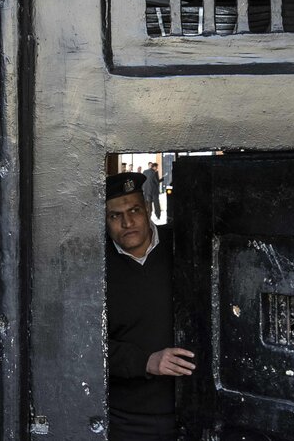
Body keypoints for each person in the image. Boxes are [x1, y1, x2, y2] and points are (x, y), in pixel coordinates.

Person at [105, 172, 195, 441]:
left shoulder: (185, 246)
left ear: (147, 207)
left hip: (193, 410)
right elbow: (83, 344)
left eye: (134, 210)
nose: (127, 222)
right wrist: (145, 361)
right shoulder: (94, 266)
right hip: (126, 418)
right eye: (115, 215)